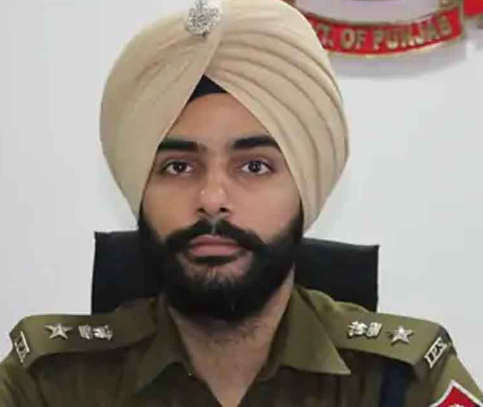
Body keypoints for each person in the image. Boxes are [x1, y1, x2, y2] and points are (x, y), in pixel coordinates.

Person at [0, 0, 481, 405]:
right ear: (140, 190)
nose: (212, 200)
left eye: (254, 166)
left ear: (304, 189)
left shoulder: (400, 381)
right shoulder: (49, 384)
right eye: (178, 167)